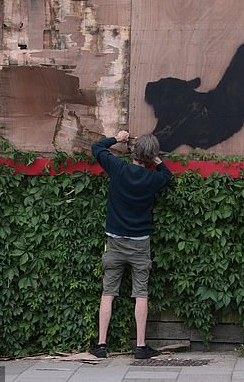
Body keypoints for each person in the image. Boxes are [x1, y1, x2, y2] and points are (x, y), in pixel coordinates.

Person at [89, 131, 172, 359]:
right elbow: (168, 175)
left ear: (133, 153)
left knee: (108, 292)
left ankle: (101, 345)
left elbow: (97, 148)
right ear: (150, 156)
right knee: (141, 294)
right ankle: (141, 346)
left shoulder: (118, 168)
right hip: (140, 243)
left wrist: (117, 138)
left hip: (115, 241)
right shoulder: (153, 178)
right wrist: (157, 160)